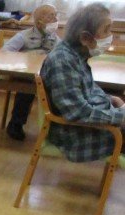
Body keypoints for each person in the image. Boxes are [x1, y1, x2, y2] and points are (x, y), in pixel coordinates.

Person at [40, 2, 125, 162]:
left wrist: (113, 100)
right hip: (77, 136)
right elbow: (77, 112)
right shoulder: (63, 60)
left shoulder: (76, 55)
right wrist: (120, 117)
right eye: (106, 30)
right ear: (85, 37)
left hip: (88, 128)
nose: (110, 36)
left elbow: (87, 93)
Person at [1, 4, 60, 141]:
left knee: (60, 87)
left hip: (46, 74)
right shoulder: (24, 36)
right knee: (26, 86)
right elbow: (4, 52)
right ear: (39, 21)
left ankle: (56, 126)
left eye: (56, 15)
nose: (56, 19)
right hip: (27, 74)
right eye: (51, 16)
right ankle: (16, 123)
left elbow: (63, 55)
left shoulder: (55, 38)